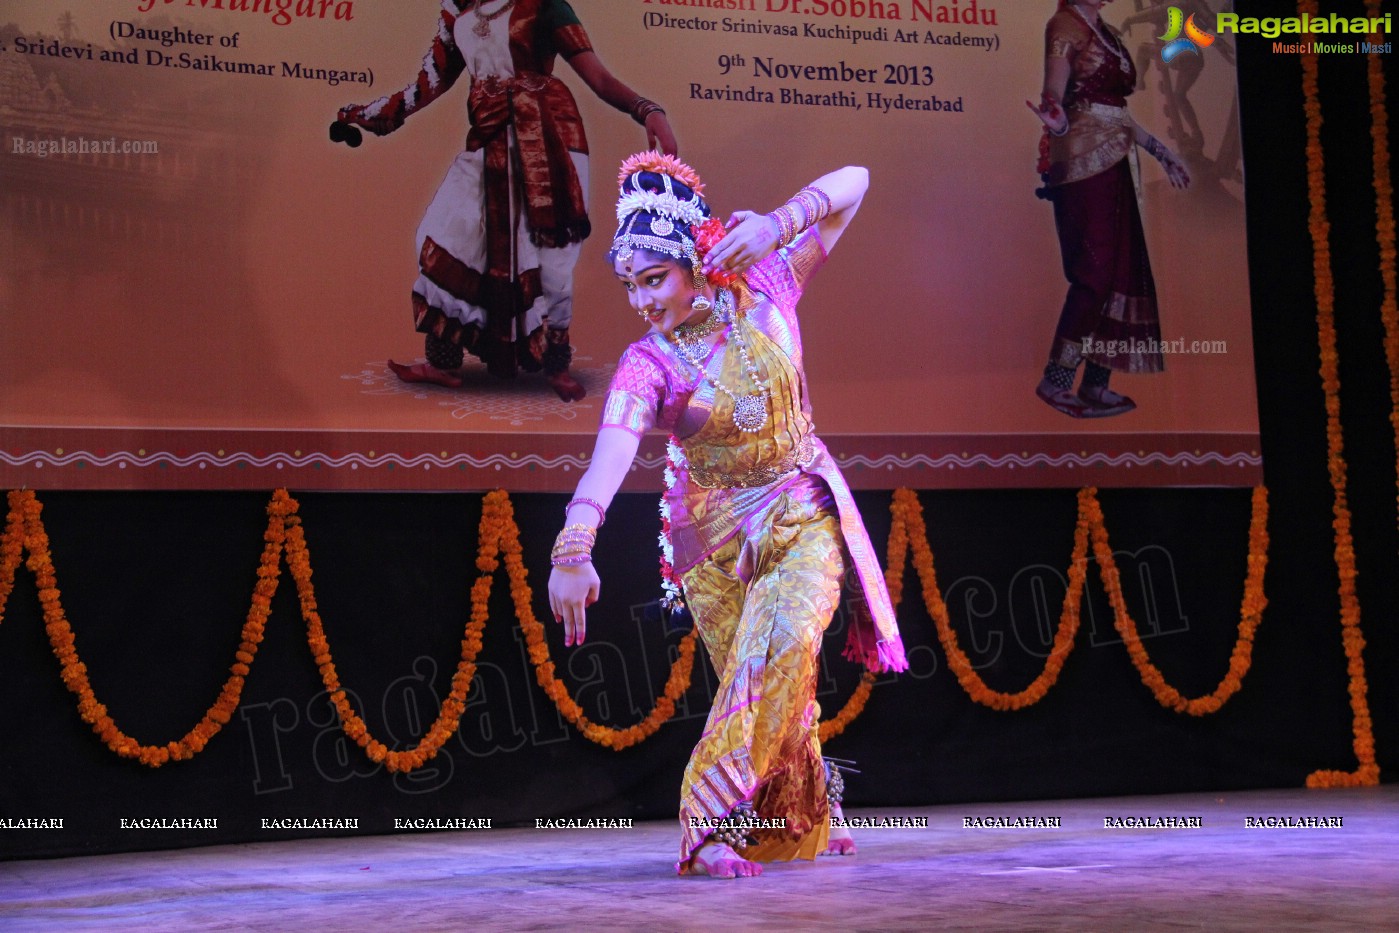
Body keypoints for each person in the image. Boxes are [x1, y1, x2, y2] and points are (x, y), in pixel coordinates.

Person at [547, 152, 907, 878]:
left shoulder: (770, 285)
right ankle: (798, 811)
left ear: (695, 262)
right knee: (773, 673)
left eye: (654, 280)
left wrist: (779, 222)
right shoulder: (648, 363)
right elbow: (609, 457)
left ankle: (705, 824)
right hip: (708, 540)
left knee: (779, 644)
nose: (641, 301)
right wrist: (573, 546)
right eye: (629, 285)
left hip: (802, 505)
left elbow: (857, 180)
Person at [334, 0, 677, 401]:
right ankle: (442, 360)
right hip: (489, 136)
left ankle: (556, 365)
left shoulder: (546, 5)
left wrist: (648, 110)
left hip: (549, 140)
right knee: (440, 235)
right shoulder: (458, 11)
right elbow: (426, 85)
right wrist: (366, 113)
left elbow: (597, 77)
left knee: (551, 263)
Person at [1027, 0, 1191, 418]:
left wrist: (1161, 151)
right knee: (1094, 274)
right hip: (1082, 164)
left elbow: (1118, 114)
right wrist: (1057, 122)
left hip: (1116, 161)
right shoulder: (1063, 24)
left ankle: (1097, 383)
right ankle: (1056, 380)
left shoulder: (1109, 32)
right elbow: (1055, 98)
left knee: (1120, 273)